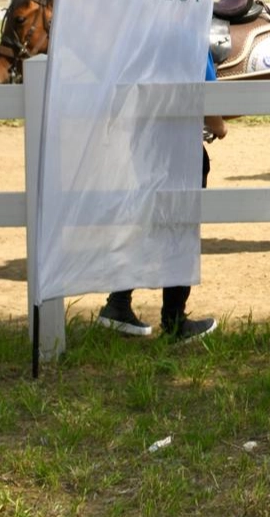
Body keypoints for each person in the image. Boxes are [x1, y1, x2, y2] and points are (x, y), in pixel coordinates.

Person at [96, 51, 222, 342]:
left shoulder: (143, 39)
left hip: (144, 144)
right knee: (181, 228)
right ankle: (174, 320)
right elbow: (208, 93)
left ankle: (118, 303)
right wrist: (219, 126)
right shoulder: (192, 41)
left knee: (150, 221)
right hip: (180, 147)